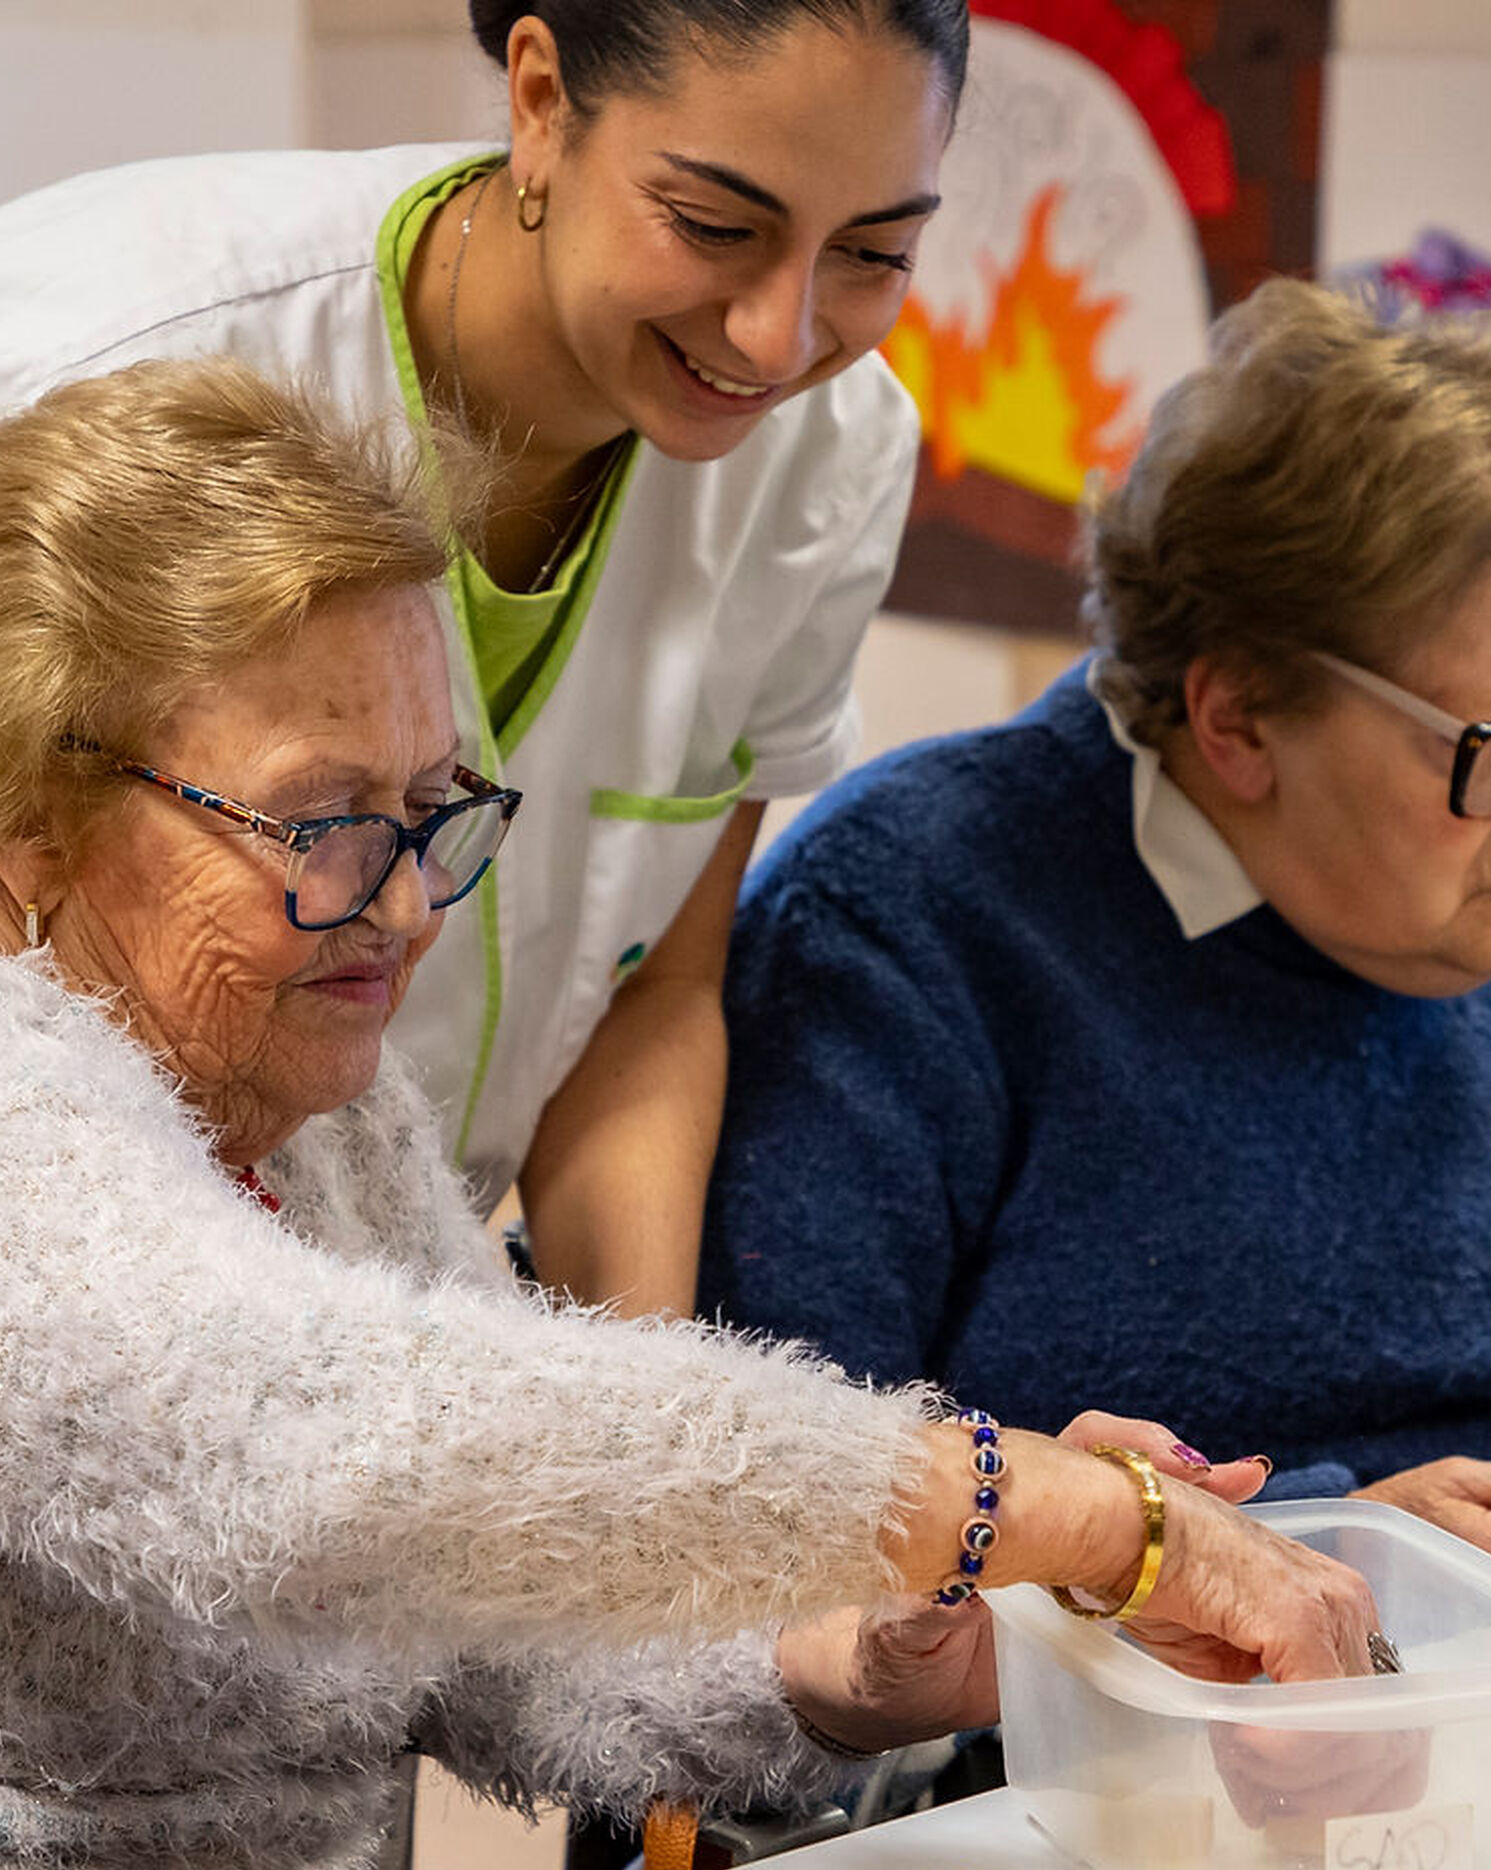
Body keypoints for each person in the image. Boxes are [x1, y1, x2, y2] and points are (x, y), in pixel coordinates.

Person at [0, 356, 1389, 1870]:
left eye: (430, 810)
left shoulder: (316, 1108)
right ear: (33, 820)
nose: (402, 906)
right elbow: (377, 1449)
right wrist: (1057, 1508)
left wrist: (890, 1641)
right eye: (322, 828)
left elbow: (514, 1639)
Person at [698, 277, 1491, 1601]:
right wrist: (1337, 1548)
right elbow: (787, 1518)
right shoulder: (912, 930)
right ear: (1239, 722)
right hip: (1124, 1762)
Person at [0, 0, 966, 1312]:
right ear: (539, 98)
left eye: (875, 250)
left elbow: (654, 997)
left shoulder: (827, 460)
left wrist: (643, 1421)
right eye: (716, 227)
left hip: (413, 1312)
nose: (779, 339)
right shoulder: (96, 359)